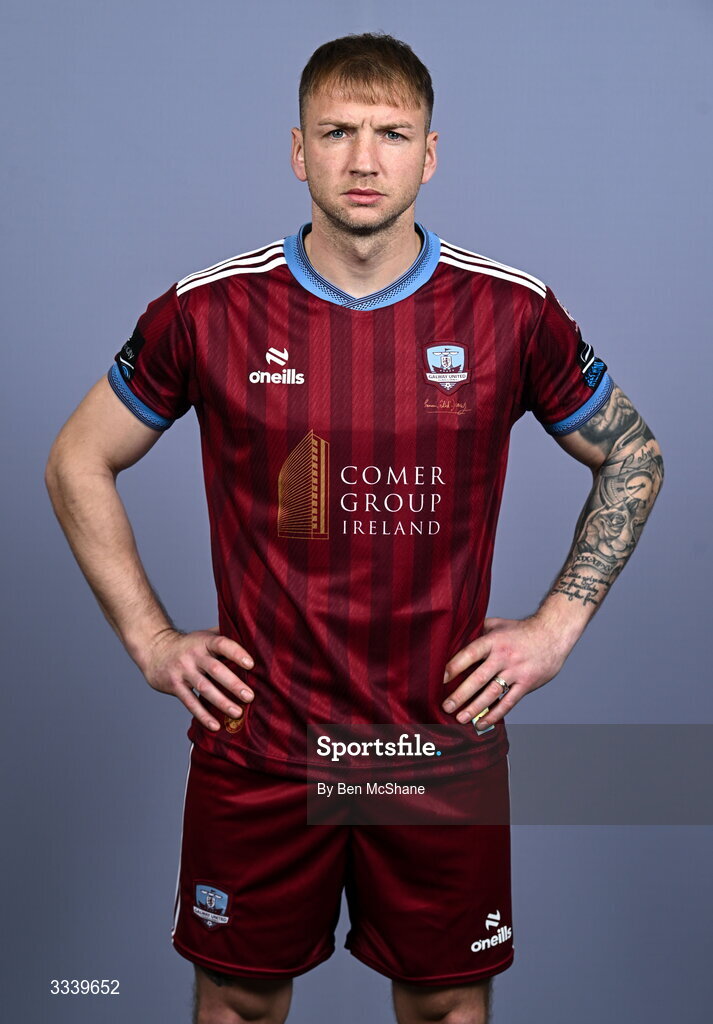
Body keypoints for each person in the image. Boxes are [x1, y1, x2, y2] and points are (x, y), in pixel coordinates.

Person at [45, 31, 664, 1024]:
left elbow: (633, 455)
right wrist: (151, 640)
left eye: (390, 132)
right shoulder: (209, 311)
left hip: (434, 748)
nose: (363, 158)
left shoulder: (509, 310)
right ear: (297, 150)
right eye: (336, 132)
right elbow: (77, 456)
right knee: (237, 1000)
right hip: (261, 747)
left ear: (430, 152)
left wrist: (553, 626)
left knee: (444, 1004)